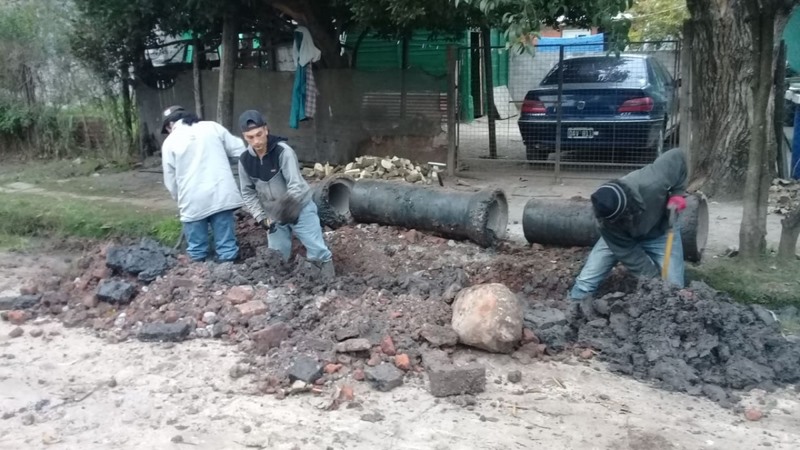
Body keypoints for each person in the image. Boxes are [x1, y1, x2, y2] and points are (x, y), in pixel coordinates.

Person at [568, 147, 689, 304]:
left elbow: (678, 156)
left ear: (629, 209)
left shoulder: (652, 180)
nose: (616, 222)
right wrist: (653, 281)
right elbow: (630, 254)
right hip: (623, 240)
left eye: (620, 219)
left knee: (674, 289)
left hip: (660, 232)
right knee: (586, 281)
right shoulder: (606, 221)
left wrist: (678, 193)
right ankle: (574, 307)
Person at [236, 109, 335, 279]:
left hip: (299, 208)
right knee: (275, 256)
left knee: (317, 250)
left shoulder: (283, 152)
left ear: (266, 130)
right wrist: (261, 217)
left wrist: (281, 212)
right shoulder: (244, 160)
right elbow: (247, 192)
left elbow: (296, 185)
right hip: (273, 214)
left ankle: (328, 283)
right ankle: (279, 286)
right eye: (250, 137)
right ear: (244, 137)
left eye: (259, 134)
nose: (257, 141)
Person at [160, 105, 247, 262]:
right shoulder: (212, 127)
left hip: (192, 201)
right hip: (222, 194)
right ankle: (228, 274)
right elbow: (239, 149)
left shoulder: (170, 142)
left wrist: (178, 198)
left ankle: (200, 278)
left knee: (197, 249)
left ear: (170, 125)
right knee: (226, 246)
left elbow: (170, 180)